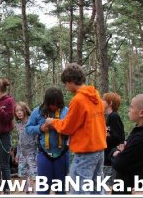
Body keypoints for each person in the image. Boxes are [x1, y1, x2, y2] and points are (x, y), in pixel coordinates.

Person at [45, 63, 107, 195]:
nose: (66, 87)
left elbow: (67, 128)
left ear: (71, 81)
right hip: (99, 149)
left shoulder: (78, 100)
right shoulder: (95, 95)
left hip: (85, 151)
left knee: (79, 190)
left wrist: (53, 122)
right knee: (97, 189)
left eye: (66, 84)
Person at [110, 94, 143, 194]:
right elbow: (122, 149)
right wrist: (120, 151)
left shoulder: (142, 137)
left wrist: (118, 154)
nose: (129, 109)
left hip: (130, 187)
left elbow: (119, 163)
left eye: (131, 107)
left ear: (141, 113)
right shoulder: (139, 131)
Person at [26, 87, 69, 195]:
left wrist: (60, 126)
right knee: (43, 188)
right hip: (44, 154)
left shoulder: (66, 111)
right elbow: (28, 128)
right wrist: (40, 128)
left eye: (56, 104)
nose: (54, 107)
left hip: (62, 153)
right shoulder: (38, 111)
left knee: (60, 189)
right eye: (51, 104)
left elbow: (72, 129)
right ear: (47, 102)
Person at [14, 101, 37, 194]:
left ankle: (35, 192)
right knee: (23, 173)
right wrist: (17, 154)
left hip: (32, 153)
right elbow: (19, 140)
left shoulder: (31, 123)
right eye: (17, 111)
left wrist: (37, 154)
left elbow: (36, 139)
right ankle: (27, 191)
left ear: (25, 110)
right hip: (22, 153)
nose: (19, 112)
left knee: (34, 174)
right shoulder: (18, 124)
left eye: (21, 110)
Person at [102, 92, 125, 185]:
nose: (102, 102)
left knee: (109, 185)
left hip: (111, 157)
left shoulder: (114, 116)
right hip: (107, 156)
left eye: (104, 100)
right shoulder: (110, 116)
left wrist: (104, 136)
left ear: (110, 103)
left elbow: (118, 138)